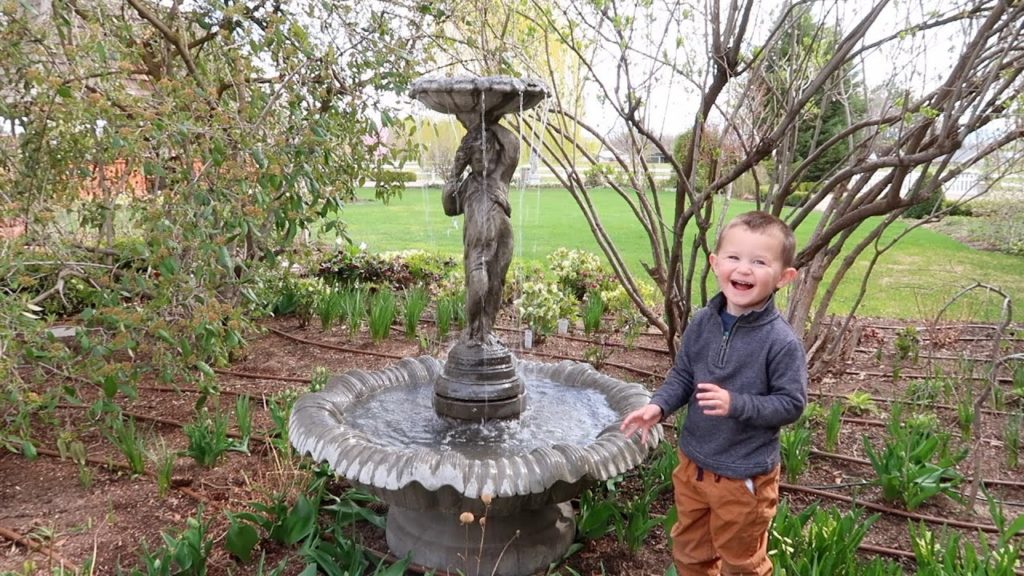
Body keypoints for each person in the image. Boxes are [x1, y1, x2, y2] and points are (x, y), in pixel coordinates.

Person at [620, 211, 807, 576]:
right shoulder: (704, 321)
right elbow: (684, 374)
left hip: (743, 479)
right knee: (690, 554)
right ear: (715, 262)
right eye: (734, 258)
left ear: (784, 277)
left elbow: (791, 404)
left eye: (759, 262)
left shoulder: (780, 342)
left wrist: (736, 404)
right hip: (693, 467)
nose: (743, 269)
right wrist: (658, 406)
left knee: (742, 562)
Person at [442, 113, 519, 347]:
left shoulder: (500, 175)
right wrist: (455, 173)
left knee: (495, 282)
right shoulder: (468, 184)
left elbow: (513, 147)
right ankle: (475, 330)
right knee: (478, 281)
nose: (480, 159)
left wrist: (490, 123)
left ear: (494, 155)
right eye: (474, 155)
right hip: (475, 241)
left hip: (502, 237)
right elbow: (450, 207)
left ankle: (484, 331)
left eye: (485, 153)